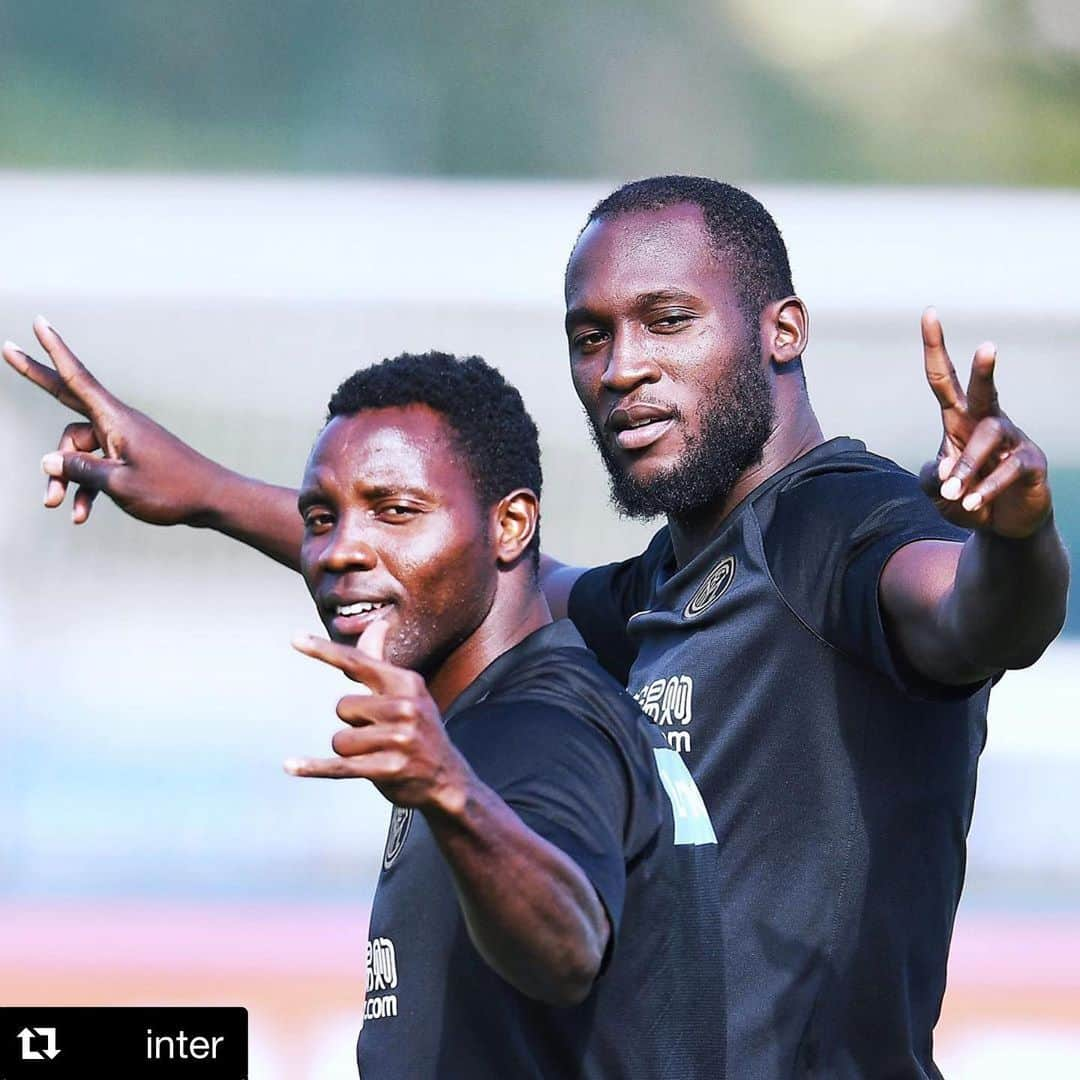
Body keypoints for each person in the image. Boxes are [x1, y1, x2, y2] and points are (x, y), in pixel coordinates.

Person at [4, 175, 1069, 1078]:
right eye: (590, 336)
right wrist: (200, 489)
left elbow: (979, 615)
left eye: (668, 319)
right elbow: (466, 573)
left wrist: (1017, 541)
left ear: (781, 330)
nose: (621, 367)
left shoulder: (834, 525)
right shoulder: (665, 585)